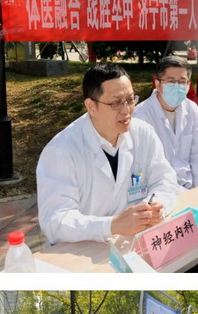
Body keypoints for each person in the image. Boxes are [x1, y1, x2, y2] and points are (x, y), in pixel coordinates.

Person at [37, 63, 180, 244]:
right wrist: (110, 225)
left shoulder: (143, 133)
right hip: (79, 250)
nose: (126, 110)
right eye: (116, 103)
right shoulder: (61, 150)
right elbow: (55, 221)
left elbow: (165, 179)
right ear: (91, 106)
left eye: (130, 100)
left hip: (130, 242)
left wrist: (157, 205)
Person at [134, 55, 198, 189]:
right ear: (158, 85)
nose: (177, 86)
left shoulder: (191, 108)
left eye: (182, 81)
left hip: (189, 185)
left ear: (188, 85)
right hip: (158, 189)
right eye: (170, 81)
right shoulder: (141, 115)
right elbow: (142, 166)